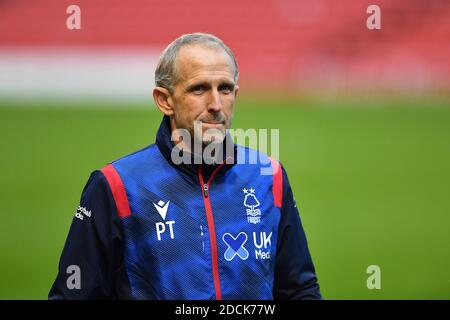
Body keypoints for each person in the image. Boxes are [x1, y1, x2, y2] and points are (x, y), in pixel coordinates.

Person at [49, 33, 321, 300]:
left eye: (224, 89)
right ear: (164, 100)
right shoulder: (116, 186)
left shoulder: (268, 176)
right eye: (199, 89)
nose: (216, 105)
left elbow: (299, 290)